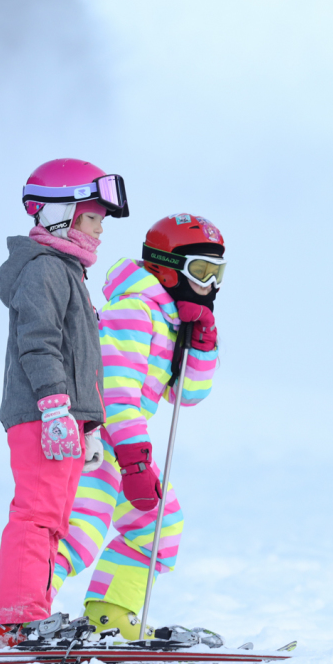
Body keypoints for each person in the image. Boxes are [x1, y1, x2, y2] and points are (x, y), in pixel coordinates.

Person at [51, 213, 223, 641]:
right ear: (167, 267)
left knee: (158, 525)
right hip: (93, 441)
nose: (212, 284)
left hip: (121, 445)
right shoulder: (133, 311)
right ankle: (20, 615)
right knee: (79, 534)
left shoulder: (168, 320)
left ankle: (110, 612)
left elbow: (187, 394)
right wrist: (134, 463)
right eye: (201, 270)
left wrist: (200, 340)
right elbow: (115, 393)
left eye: (218, 273)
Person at [0, 158, 129, 649]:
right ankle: (14, 619)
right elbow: (39, 342)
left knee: (55, 519)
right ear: (59, 215)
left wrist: (86, 422)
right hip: (43, 416)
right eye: (93, 218)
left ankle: (28, 613)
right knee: (37, 514)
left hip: (63, 418)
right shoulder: (44, 270)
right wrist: (54, 407)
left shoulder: (68, 272)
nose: (100, 230)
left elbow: (80, 357)